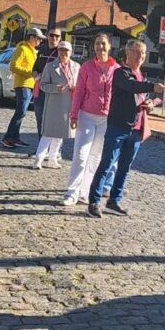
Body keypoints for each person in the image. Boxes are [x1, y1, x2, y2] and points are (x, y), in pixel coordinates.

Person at [86, 39, 165, 218]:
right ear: (128, 53)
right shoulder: (120, 73)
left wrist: (150, 103)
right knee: (107, 164)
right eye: (137, 52)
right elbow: (131, 86)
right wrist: (152, 86)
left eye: (144, 53)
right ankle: (94, 202)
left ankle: (114, 201)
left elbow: (141, 96)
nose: (141, 56)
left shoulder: (142, 76)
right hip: (118, 127)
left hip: (136, 129)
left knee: (124, 168)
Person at [62, 33, 120, 206]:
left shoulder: (117, 69)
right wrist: (73, 114)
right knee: (80, 155)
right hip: (86, 115)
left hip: (106, 119)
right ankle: (71, 192)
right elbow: (79, 91)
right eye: (97, 44)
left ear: (109, 46)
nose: (100, 47)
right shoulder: (87, 67)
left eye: (103, 44)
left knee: (95, 157)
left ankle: (85, 192)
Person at [32, 41, 80, 170]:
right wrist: (55, 88)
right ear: (58, 51)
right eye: (61, 50)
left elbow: (80, 84)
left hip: (68, 103)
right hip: (53, 103)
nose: (63, 53)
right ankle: (38, 159)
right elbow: (43, 85)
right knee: (48, 132)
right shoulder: (50, 66)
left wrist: (76, 88)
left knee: (60, 133)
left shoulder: (76, 66)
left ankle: (52, 159)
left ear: (71, 52)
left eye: (66, 50)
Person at [1, 27, 44, 149]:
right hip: (22, 84)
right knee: (21, 111)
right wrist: (30, 73)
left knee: (22, 112)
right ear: (31, 37)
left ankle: (15, 137)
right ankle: (8, 137)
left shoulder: (33, 51)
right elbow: (13, 66)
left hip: (30, 84)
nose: (40, 41)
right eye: (38, 38)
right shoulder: (22, 49)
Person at [32, 28, 63, 140]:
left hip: (54, 91)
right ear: (47, 36)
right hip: (40, 90)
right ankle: (41, 145)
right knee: (40, 119)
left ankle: (54, 147)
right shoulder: (42, 50)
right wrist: (36, 75)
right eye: (51, 35)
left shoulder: (61, 52)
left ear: (60, 38)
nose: (54, 38)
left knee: (53, 121)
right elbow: (34, 68)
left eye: (57, 36)